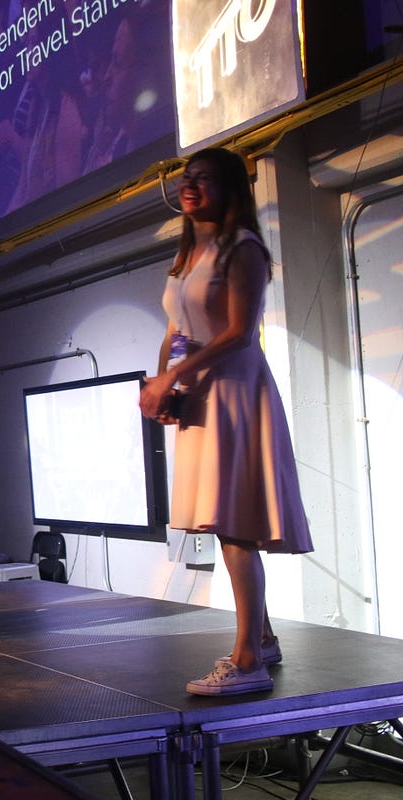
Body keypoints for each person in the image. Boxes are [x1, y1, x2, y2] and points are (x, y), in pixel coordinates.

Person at [139, 147, 314, 696]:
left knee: (234, 522)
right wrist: (165, 384)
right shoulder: (190, 255)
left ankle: (247, 660)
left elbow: (239, 332)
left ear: (230, 189)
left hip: (234, 392)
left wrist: (174, 377)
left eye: (204, 178)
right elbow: (178, 328)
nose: (189, 185)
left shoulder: (244, 249)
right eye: (186, 177)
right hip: (200, 394)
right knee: (222, 521)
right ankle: (261, 637)